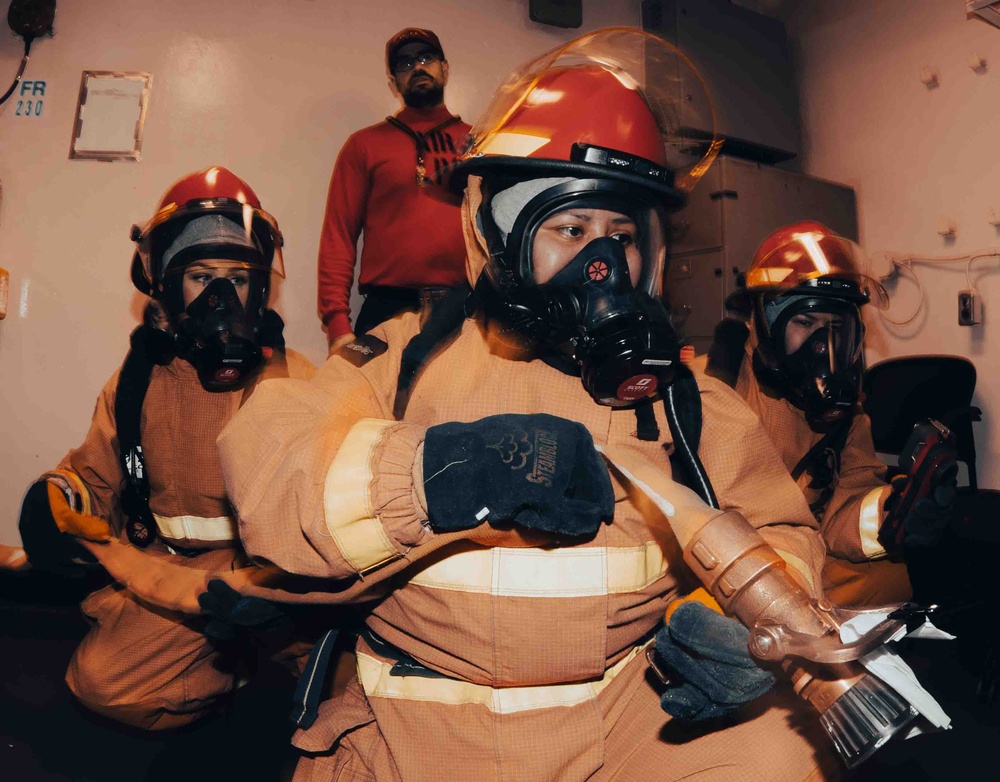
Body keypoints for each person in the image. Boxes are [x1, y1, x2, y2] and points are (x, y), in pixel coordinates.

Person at [215, 32, 842, 781]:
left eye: (622, 236)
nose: (601, 264)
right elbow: (270, 466)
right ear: (500, 234)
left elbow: (779, 527)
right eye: (571, 230)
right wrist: (439, 471)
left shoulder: (679, 395)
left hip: (625, 718)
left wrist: (745, 630)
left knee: (784, 753)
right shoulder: (406, 359)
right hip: (422, 726)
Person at [13, 166, 317, 730]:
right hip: (178, 589)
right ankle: (230, 667)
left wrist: (286, 594)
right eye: (202, 276)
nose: (222, 297)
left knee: (351, 697)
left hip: (282, 592)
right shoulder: (136, 386)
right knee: (104, 684)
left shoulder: (298, 383)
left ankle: (271, 658)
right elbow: (93, 478)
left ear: (259, 287)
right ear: (167, 285)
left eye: (238, 278)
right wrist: (53, 500)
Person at [705, 221, 954, 607]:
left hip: (796, 553)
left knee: (890, 579)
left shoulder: (847, 416)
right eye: (804, 322)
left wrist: (892, 514)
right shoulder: (707, 388)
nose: (824, 346)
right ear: (762, 322)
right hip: (719, 556)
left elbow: (844, 508)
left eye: (836, 327)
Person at [318, 27, 471, 354]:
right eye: (404, 64)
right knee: (371, 406)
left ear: (445, 68)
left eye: (426, 58)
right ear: (393, 82)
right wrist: (337, 326)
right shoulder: (364, 145)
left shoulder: (479, 144)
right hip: (385, 312)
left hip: (464, 312)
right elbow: (338, 235)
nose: (417, 67)